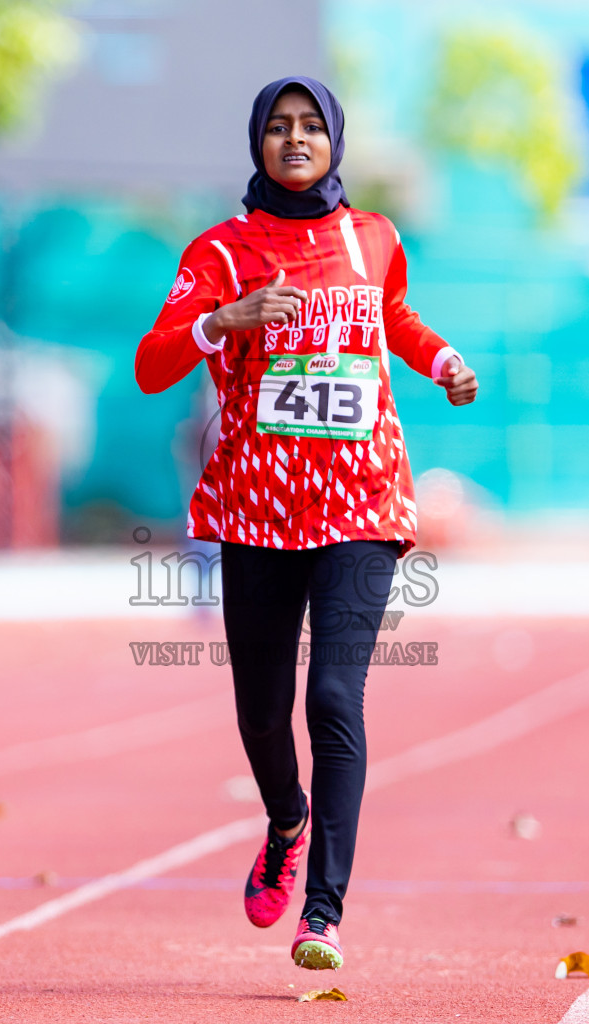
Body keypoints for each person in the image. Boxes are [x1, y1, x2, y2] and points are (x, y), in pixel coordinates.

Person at [135, 76, 478, 970]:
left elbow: (391, 314)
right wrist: (224, 320)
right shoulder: (221, 251)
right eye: (279, 128)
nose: (295, 139)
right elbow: (152, 363)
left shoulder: (373, 237)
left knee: (334, 698)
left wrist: (440, 359)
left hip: (362, 502)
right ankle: (286, 818)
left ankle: (322, 913)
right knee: (260, 710)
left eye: (312, 126)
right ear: (257, 144)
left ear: (335, 141)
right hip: (257, 507)